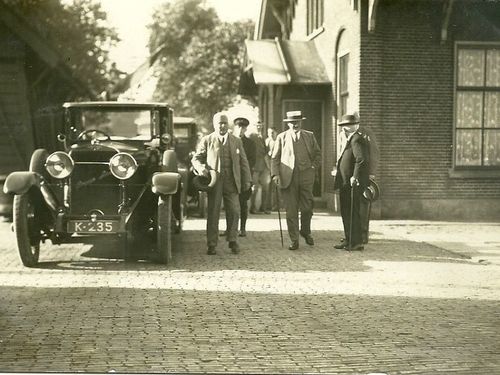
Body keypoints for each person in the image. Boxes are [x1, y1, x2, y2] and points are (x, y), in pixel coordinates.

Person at [191, 112, 252, 255]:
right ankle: (211, 244)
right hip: (215, 182)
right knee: (213, 213)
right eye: (219, 123)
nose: (222, 126)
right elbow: (196, 158)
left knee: (234, 211)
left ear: (228, 124)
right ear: (214, 125)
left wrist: (247, 179)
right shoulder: (207, 140)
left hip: (232, 182)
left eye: (225, 123)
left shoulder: (236, 141)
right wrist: (201, 169)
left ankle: (233, 240)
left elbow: (243, 161)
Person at [271, 110, 321, 250]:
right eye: (292, 123)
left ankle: (305, 231)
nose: (295, 125)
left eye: (297, 122)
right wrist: (275, 175)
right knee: (291, 210)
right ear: (288, 124)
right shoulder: (281, 137)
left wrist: (312, 167)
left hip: (306, 177)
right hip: (288, 178)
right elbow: (274, 158)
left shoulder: (309, 136)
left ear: (301, 122)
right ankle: (294, 239)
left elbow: (318, 154)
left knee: (307, 208)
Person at [333, 113, 370, 251]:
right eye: (343, 126)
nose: (343, 128)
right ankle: (350, 239)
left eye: (346, 126)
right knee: (347, 211)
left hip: (351, 183)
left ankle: (355, 242)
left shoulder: (356, 139)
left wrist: (355, 176)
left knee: (351, 212)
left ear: (353, 126)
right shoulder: (351, 138)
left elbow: (360, 159)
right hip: (346, 181)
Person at [357, 119, 379, 244]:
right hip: (348, 175)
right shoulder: (342, 134)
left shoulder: (366, 133)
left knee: (363, 204)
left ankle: (363, 234)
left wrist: (371, 173)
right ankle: (352, 235)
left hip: (363, 175)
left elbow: (374, 153)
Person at [234, 117, 255, 237]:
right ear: (235, 128)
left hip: (244, 177)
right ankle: (230, 228)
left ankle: (242, 228)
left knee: (242, 204)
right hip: (232, 177)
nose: (240, 130)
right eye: (238, 127)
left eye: (243, 127)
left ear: (246, 129)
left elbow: (252, 161)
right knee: (230, 204)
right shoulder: (229, 141)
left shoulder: (250, 143)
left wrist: (245, 174)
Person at [250, 121, 271, 214]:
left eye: (261, 126)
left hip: (264, 166)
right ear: (254, 126)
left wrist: (269, 167)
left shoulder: (263, 137)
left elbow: (266, 152)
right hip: (255, 166)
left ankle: (264, 207)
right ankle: (252, 208)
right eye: (257, 126)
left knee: (265, 187)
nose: (259, 127)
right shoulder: (251, 136)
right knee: (254, 187)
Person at [265, 126, 278, 211]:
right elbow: (265, 154)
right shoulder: (267, 141)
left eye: (272, 133)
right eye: (269, 133)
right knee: (268, 188)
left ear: (276, 133)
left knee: (276, 187)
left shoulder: (279, 141)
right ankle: (268, 206)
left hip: (277, 167)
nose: (271, 135)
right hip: (268, 167)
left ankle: (276, 206)